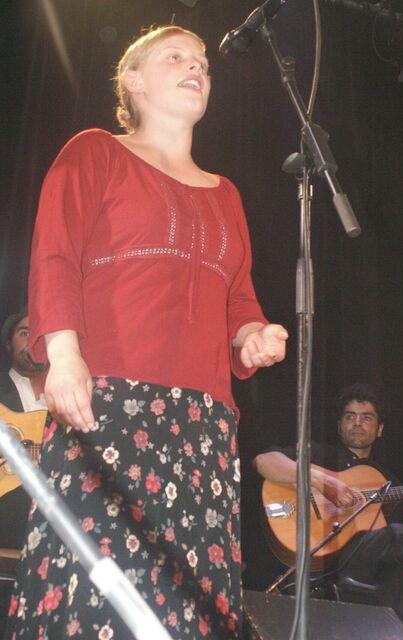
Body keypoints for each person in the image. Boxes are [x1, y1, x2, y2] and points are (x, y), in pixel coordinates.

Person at [5, 25, 288, 640]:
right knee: (96, 593)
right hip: (108, 402)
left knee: (190, 602)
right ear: (132, 81)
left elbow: (238, 298)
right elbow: (55, 254)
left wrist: (252, 334)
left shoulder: (227, 194)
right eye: (175, 57)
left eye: (203, 63)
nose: (197, 69)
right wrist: (63, 355)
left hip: (204, 425)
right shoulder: (95, 152)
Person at [253, 383, 403, 640]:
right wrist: (323, 482)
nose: (357, 423)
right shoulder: (318, 454)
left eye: (366, 417)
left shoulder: (385, 480)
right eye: (350, 417)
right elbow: (264, 461)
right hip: (323, 558)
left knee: (402, 567)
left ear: (380, 429)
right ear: (339, 426)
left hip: (365, 565)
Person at [0, 311, 48, 637]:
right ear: (7, 345)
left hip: (58, 539)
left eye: (41, 333)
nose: (34, 340)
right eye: (24, 333)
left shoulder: (77, 394)